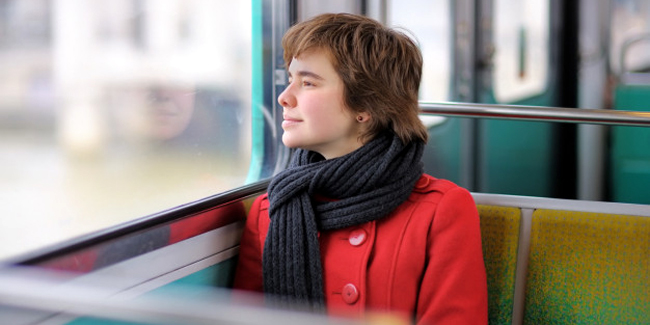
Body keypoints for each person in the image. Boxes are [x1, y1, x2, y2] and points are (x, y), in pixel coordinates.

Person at [233, 13, 487, 324]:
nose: (284, 98)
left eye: (308, 82)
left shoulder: (441, 210)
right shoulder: (269, 211)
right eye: (289, 81)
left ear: (366, 105)